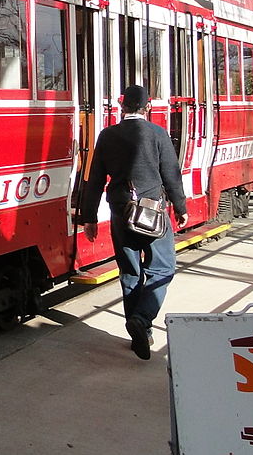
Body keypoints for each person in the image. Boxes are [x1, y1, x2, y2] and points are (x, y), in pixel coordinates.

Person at [80, 84, 189, 360]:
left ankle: (138, 332)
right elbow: (171, 175)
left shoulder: (107, 136)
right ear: (147, 107)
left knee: (130, 272)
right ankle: (142, 319)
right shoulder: (157, 134)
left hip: (121, 213)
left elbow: (94, 180)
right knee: (162, 268)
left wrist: (89, 218)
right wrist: (180, 206)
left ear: (122, 106)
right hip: (154, 213)